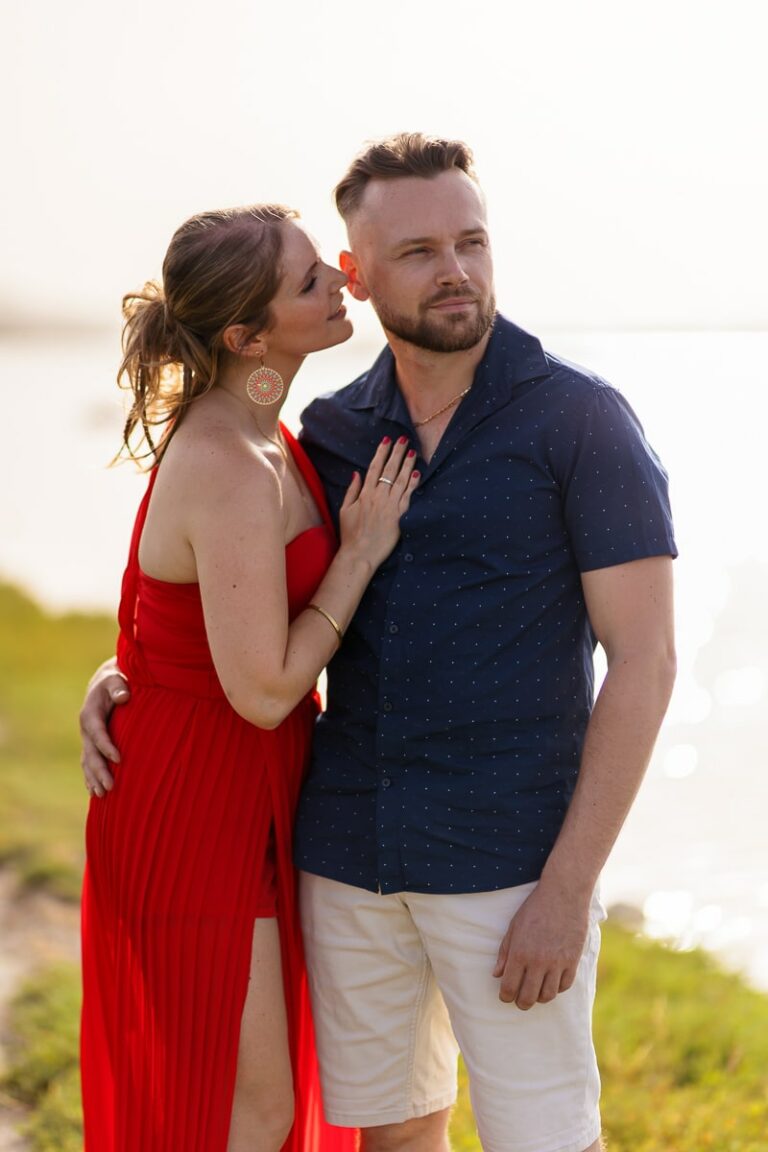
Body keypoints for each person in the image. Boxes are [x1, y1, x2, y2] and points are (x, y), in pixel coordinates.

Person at [81, 135, 677, 1152]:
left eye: (472, 241)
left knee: (545, 1137)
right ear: (355, 275)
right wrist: (123, 668)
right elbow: (223, 583)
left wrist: (570, 891)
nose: (454, 270)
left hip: (507, 867)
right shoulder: (331, 429)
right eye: (417, 251)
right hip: (344, 859)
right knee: (387, 1136)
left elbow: (648, 663)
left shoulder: (581, 422)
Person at [78, 202, 419, 1152]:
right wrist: (356, 558)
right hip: (193, 801)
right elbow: (264, 688)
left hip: (254, 781)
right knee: (253, 1110)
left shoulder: (270, 428)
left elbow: (182, 616)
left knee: (253, 1101)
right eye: (311, 281)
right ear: (246, 334)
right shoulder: (229, 457)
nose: (343, 283)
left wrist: (118, 668)